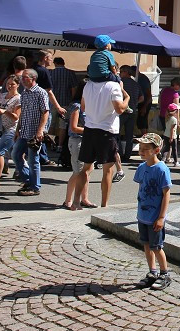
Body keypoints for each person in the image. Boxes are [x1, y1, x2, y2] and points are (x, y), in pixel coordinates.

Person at [69, 75, 127, 208]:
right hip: (107, 131)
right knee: (107, 170)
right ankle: (104, 205)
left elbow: (83, 107)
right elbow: (120, 109)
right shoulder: (114, 86)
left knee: (85, 168)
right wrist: (127, 97)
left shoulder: (88, 85)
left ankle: (76, 201)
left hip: (90, 129)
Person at [133, 133, 172, 291]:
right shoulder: (142, 167)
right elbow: (141, 187)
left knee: (157, 246)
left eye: (146, 149)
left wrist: (161, 217)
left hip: (155, 216)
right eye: (140, 148)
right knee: (147, 245)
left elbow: (166, 194)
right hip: (143, 215)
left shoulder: (162, 169)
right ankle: (152, 272)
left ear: (156, 150)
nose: (141, 151)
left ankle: (164, 274)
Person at [11, 69, 49, 197]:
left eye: (24, 77)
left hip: (34, 133)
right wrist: (18, 129)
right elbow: (23, 113)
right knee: (15, 155)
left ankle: (35, 186)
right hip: (24, 131)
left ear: (33, 79)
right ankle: (28, 180)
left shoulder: (40, 92)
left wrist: (40, 130)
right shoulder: (25, 93)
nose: (22, 79)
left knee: (33, 160)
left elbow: (45, 112)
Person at [60, 86, 95, 210]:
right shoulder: (76, 106)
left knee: (88, 170)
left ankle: (84, 198)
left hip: (87, 141)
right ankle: (68, 200)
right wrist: (91, 131)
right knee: (78, 172)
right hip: (77, 141)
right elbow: (73, 127)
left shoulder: (90, 105)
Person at [48, 57, 78, 156]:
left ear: (55, 63)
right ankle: (60, 145)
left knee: (51, 124)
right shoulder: (70, 73)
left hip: (53, 102)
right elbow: (74, 88)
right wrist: (71, 98)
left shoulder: (50, 73)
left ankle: (51, 144)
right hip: (66, 102)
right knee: (63, 125)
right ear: (63, 63)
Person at [118, 65, 142, 164]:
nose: (120, 73)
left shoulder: (120, 83)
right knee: (129, 135)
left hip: (122, 110)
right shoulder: (136, 84)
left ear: (125, 72)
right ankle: (127, 155)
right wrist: (135, 103)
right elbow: (142, 98)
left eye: (121, 71)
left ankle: (119, 153)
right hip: (132, 111)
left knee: (116, 133)